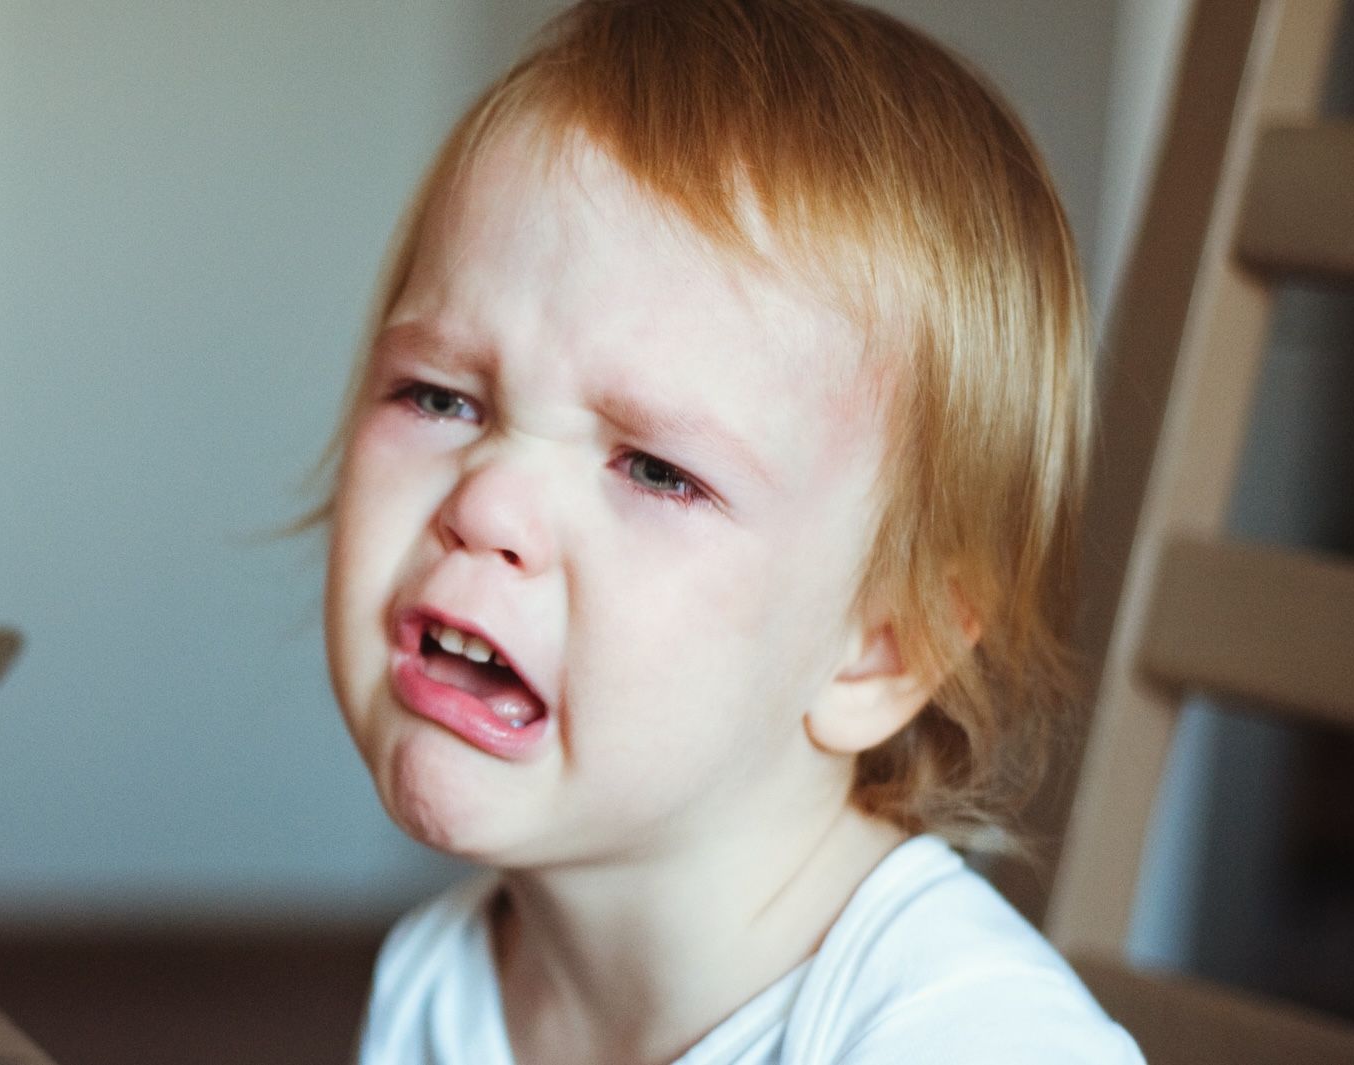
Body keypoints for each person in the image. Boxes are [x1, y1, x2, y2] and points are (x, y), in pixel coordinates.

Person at [314, 1, 1145, 1061]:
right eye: (440, 398)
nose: (485, 504)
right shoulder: (442, 983)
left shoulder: (962, 1040)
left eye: (657, 469)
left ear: (880, 650)